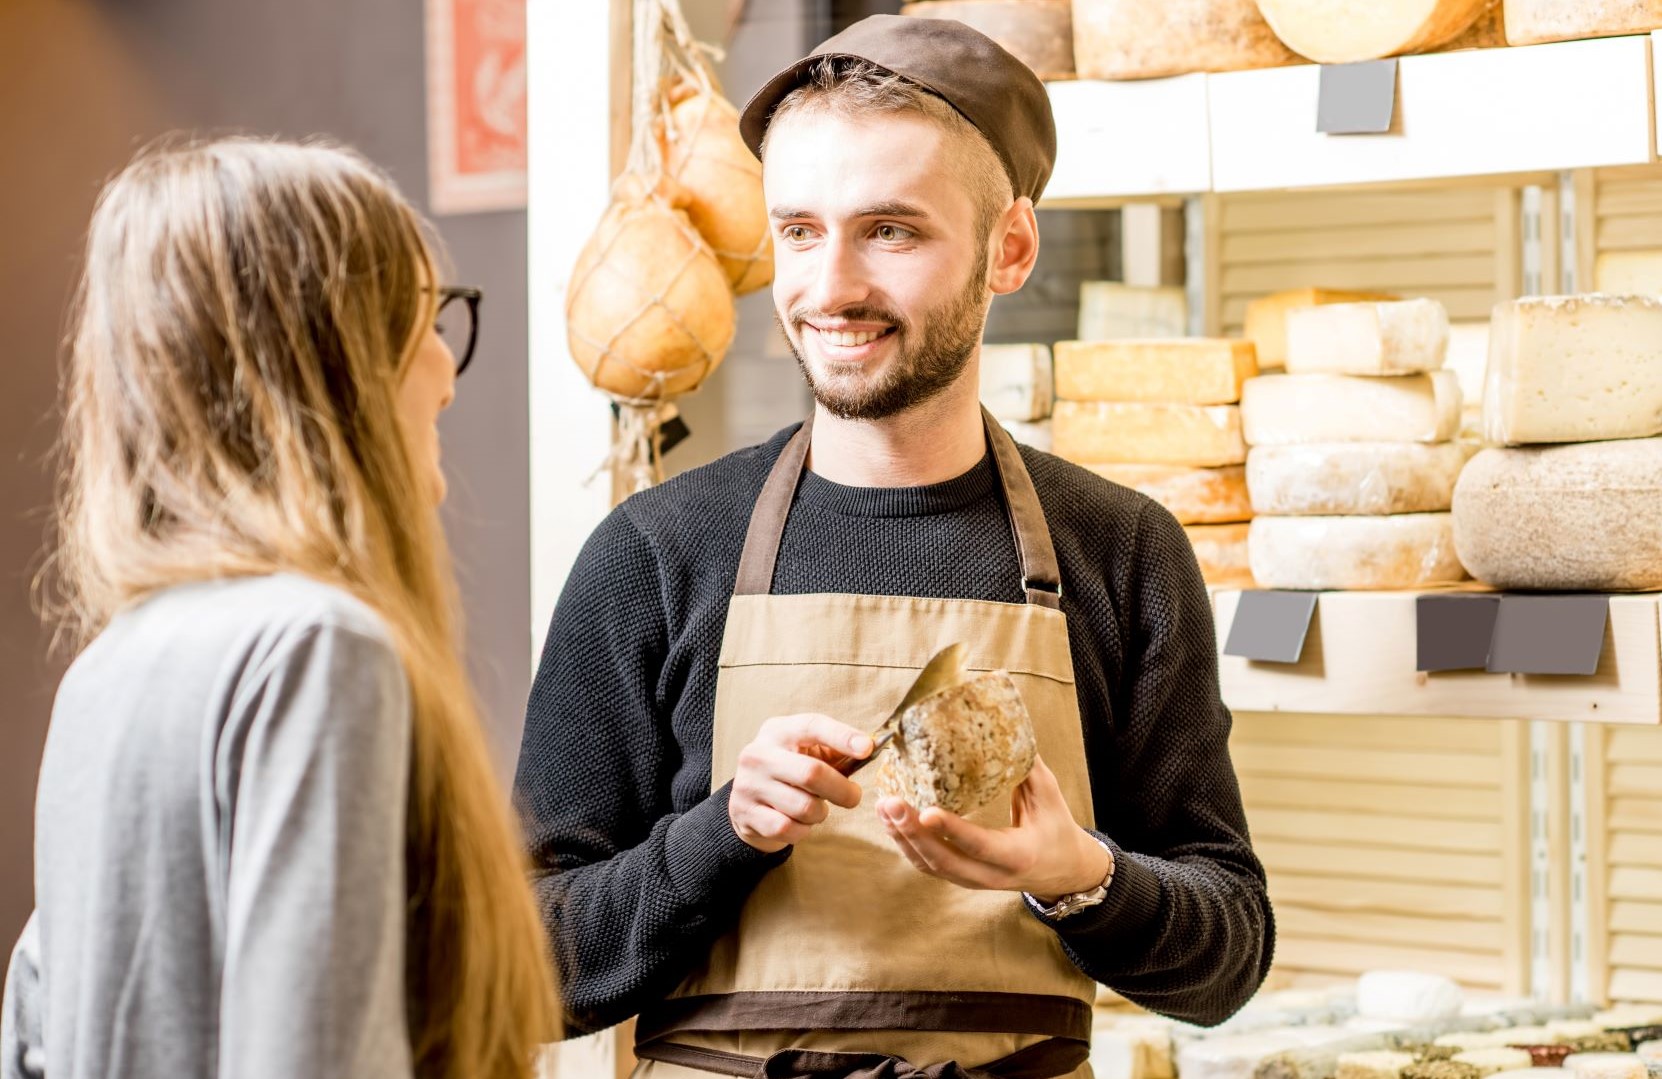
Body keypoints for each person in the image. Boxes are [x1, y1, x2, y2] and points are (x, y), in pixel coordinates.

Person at [516, 15, 1273, 1077]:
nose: (829, 288)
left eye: (892, 231)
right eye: (799, 231)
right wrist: (721, 831)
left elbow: (1228, 953)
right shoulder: (651, 554)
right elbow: (525, 961)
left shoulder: (1122, 551)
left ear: (1009, 247)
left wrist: (1080, 874)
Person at [0, 137, 557, 1079]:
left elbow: (31, 1043)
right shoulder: (317, 649)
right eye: (425, 318)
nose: (446, 372)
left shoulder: (105, 670)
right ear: (333, 360)